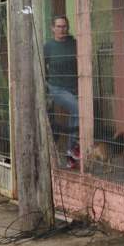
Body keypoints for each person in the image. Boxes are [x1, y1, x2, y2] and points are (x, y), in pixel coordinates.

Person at [44, 16, 79, 162]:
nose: (62, 29)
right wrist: (46, 84)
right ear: (53, 28)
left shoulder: (74, 43)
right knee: (78, 109)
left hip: (74, 86)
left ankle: (72, 153)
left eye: (64, 26)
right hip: (56, 88)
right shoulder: (48, 47)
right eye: (58, 26)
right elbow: (42, 66)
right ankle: (71, 148)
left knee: (77, 113)